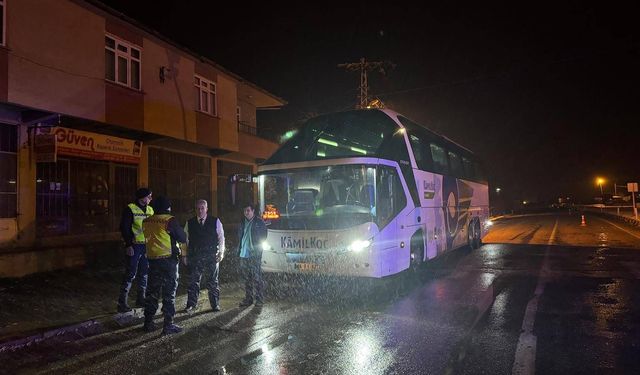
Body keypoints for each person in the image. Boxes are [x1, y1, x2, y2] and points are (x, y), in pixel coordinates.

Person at [142, 196, 187, 335]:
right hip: (168, 261)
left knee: (152, 292)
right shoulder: (169, 220)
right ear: (168, 207)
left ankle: (148, 322)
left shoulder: (147, 220)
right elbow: (182, 237)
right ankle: (168, 324)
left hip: (152, 260)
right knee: (169, 292)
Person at [183, 199, 225, 313]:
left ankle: (215, 304)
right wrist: (184, 255)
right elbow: (185, 240)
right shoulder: (190, 223)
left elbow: (221, 238)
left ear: (206, 209)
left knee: (213, 281)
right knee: (193, 281)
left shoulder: (215, 221)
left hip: (211, 255)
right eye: (198, 208)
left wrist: (221, 252)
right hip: (195, 256)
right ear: (195, 209)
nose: (200, 210)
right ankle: (191, 304)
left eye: (202, 208)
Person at [117, 187, 154, 313]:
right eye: (149, 196)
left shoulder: (150, 209)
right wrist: (128, 245)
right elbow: (125, 228)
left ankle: (141, 299)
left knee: (144, 273)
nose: (150, 198)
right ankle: (122, 303)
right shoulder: (130, 209)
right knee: (130, 273)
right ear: (142, 197)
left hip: (146, 246)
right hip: (134, 246)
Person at [237, 203, 268, 307]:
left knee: (257, 277)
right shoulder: (242, 222)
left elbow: (264, 235)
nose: (246, 213)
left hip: (254, 253)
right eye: (245, 211)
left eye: (248, 210)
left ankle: (259, 299)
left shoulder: (259, 222)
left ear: (253, 211)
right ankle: (249, 298)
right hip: (244, 253)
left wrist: (258, 248)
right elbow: (240, 236)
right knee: (247, 278)